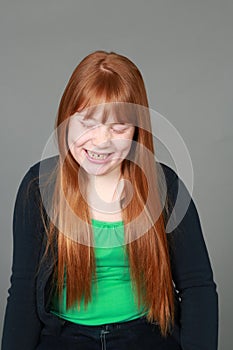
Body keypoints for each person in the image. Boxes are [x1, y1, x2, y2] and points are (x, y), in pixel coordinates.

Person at [1, 50, 218, 350]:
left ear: (136, 131)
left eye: (118, 128)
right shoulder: (38, 187)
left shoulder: (164, 186)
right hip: (64, 337)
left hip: (146, 335)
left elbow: (198, 288)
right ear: (67, 120)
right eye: (88, 123)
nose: (101, 141)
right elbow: (23, 293)